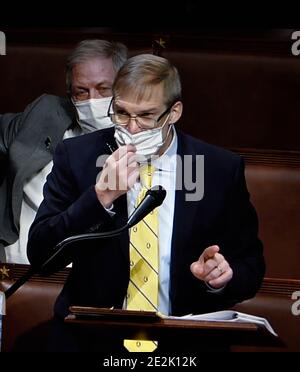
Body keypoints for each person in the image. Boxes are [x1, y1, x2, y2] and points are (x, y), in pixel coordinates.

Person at [27, 54, 265, 352]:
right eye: (122, 113)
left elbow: (251, 266)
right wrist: (99, 198)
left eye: (146, 116)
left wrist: (220, 277)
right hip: (91, 341)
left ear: (174, 112)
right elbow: (41, 255)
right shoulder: (78, 157)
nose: (132, 128)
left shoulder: (216, 168)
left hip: (182, 346)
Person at [0, 39, 128, 263]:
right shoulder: (46, 113)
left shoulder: (142, 139)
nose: (92, 101)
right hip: (12, 264)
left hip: (88, 271)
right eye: (81, 91)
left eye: (103, 89)